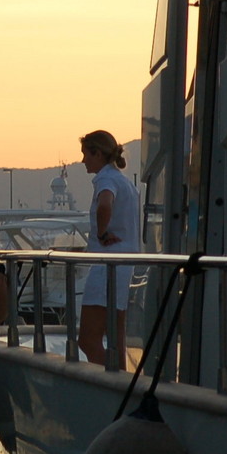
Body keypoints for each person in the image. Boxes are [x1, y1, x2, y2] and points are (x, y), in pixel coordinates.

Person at [78, 129, 140, 368]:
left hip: (107, 267)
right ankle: (121, 381)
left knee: (88, 340)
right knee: (117, 339)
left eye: (86, 154)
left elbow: (105, 204)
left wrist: (102, 233)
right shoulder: (124, 181)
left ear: (97, 153)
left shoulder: (106, 180)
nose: (83, 160)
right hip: (125, 266)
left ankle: (109, 380)